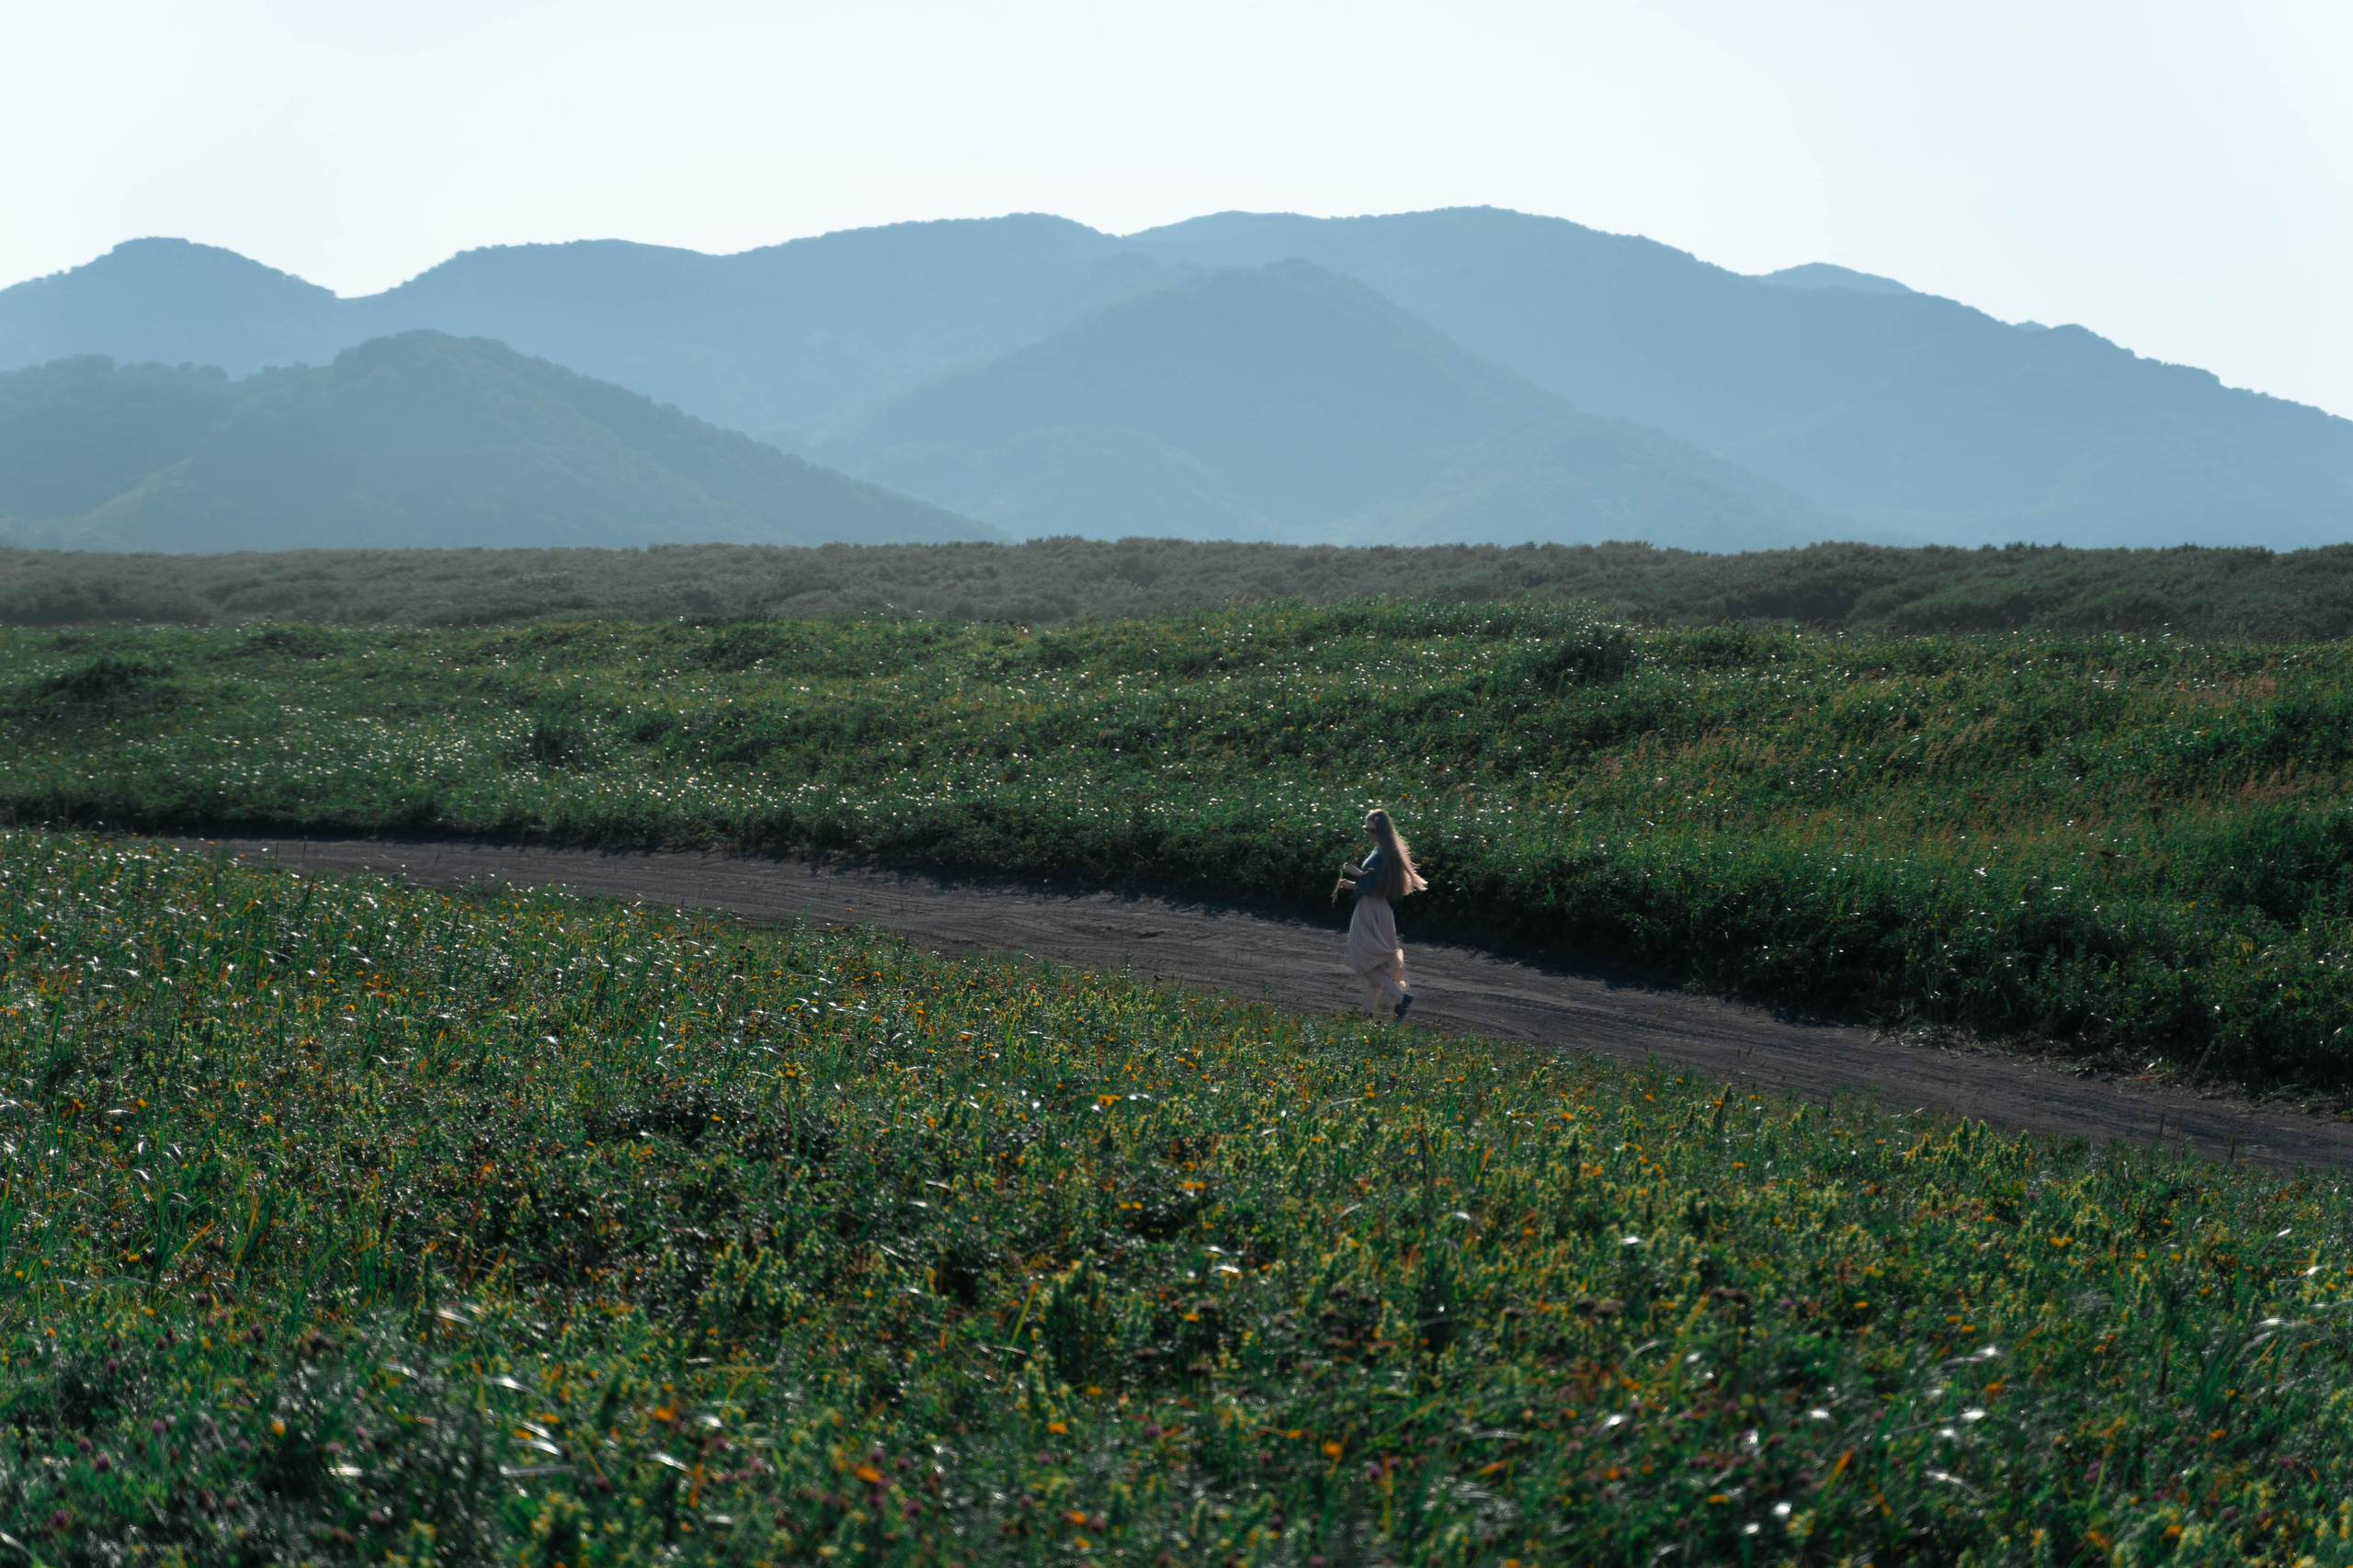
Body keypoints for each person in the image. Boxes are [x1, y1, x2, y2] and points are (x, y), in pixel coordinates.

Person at [1336, 807, 1427, 1019]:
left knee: (1362, 958)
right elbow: (1377, 884)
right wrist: (1354, 883)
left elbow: (1375, 883)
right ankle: (1368, 1013)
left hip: (1371, 909)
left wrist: (1357, 874)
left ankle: (1400, 997)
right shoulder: (1384, 852)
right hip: (1378, 908)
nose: (1369, 834)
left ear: (1382, 831)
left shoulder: (1382, 854)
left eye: (1373, 830)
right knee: (1373, 963)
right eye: (1366, 829)